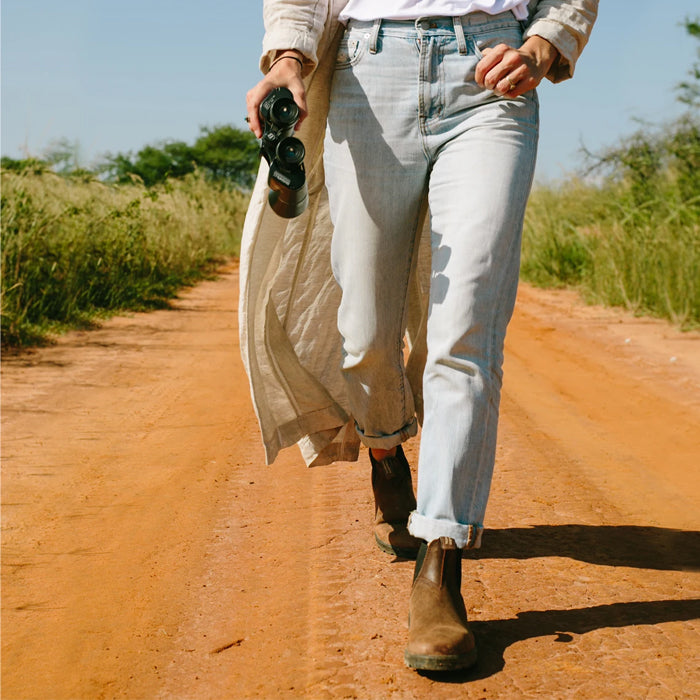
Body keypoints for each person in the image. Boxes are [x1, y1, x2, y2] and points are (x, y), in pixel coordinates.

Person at [243, 0, 598, 672]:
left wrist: (547, 42)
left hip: (492, 79)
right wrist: (289, 59)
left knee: (465, 326)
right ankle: (384, 450)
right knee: (365, 336)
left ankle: (440, 564)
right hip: (367, 77)